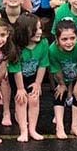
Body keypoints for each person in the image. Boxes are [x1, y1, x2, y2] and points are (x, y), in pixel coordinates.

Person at [48, 19, 77, 139]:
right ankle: (60, 126)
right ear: (57, 39)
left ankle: (74, 126)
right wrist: (62, 84)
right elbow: (56, 70)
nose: (69, 42)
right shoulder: (53, 50)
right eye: (64, 39)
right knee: (59, 94)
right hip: (62, 76)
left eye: (72, 38)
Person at [9, 14, 48, 142]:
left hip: (33, 76)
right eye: (35, 29)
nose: (39, 32)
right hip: (17, 78)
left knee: (34, 99)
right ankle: (23, 130)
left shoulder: (43, 43)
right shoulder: (16, 46)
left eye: (40, 28)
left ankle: (32, 129)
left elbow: (43, 65)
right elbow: (17, 70)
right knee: (21, 100)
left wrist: (38, 83)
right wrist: (20, 88)